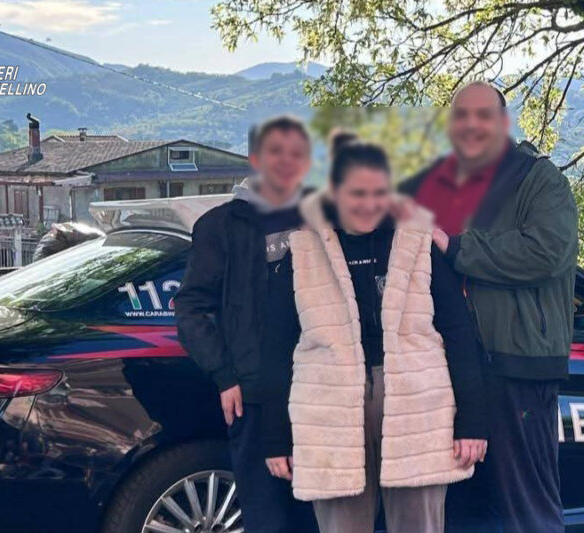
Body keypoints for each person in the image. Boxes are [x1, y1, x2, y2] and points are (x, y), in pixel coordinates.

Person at [260, 136, 488, 533]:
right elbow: (276, 347)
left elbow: (459, 333)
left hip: (417, 407)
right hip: (329, 411)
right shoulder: (303, 252)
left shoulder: (418, 243)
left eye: (378, 193)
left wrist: (472, 419)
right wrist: (275, 435)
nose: (368, 204)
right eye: (357, 193)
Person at [399, 81, 579, 533]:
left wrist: (457, 247)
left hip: (517, 367)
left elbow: (545, 252)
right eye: (461, 116)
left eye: (483, 115)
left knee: (526, 509)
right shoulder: (437, 184)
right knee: (458, 510)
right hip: (446, 369)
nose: (472, 125)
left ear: (503, 122)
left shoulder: (538, 179)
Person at [174, 115, 318, 533]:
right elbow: (191, 306)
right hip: (253, 395)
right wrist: (225, 375)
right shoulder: (220, 225)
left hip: (318, 390)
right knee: (268, 517)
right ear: (255, 159)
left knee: (319, 516)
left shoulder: (321, 219)